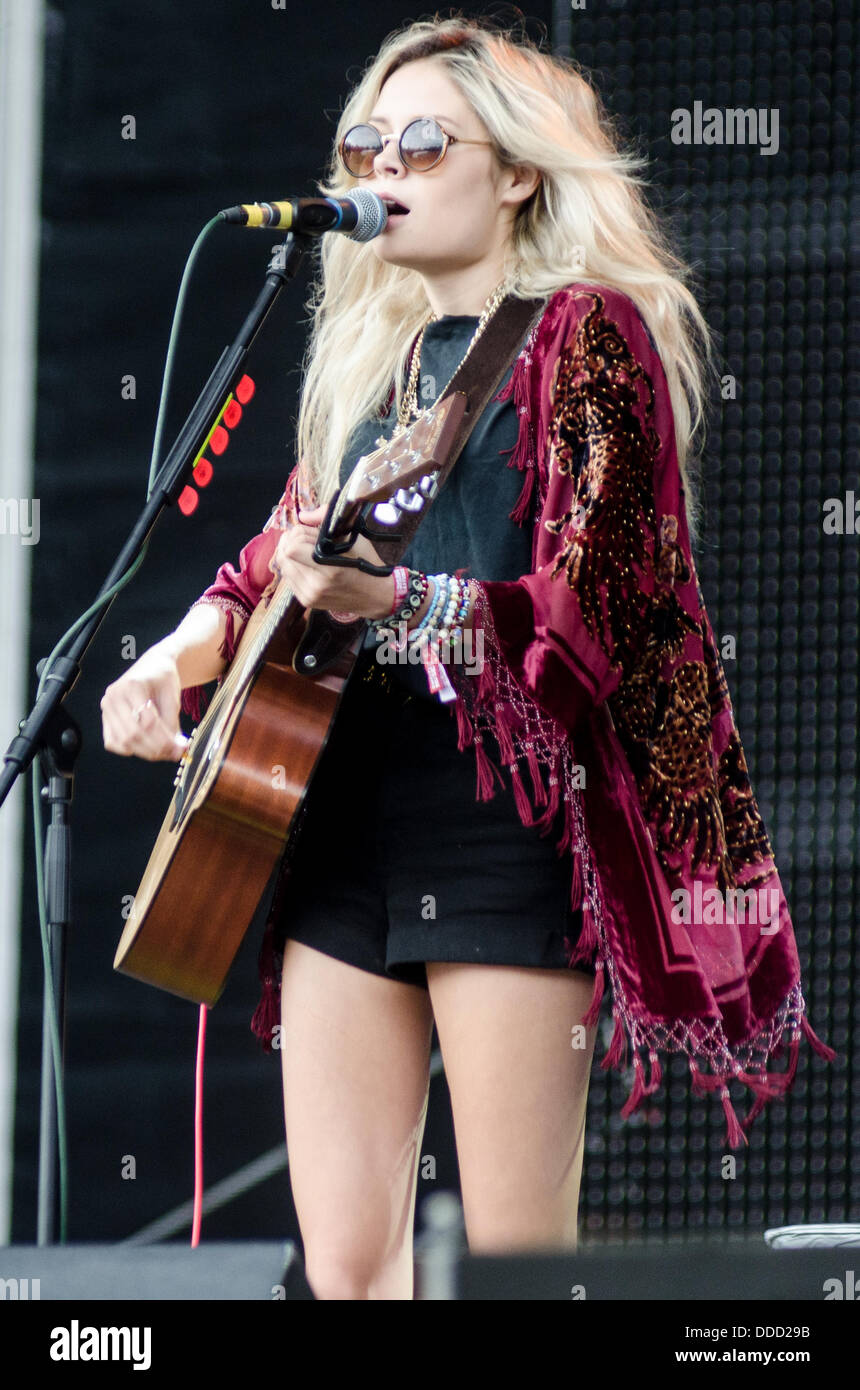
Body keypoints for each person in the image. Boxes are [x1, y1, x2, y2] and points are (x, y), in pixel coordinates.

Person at [100, 15, 835, 1299]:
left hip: (498, 823)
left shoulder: (581, 336)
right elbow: (269, 563)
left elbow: (603, 602)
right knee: (349, 1269)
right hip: (333, 813)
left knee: (507, 1264)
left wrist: (404, 601)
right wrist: (170, 656)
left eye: (426, 139)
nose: (387, 162)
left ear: (515, 172)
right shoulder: (373, 377)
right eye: (364, 140)